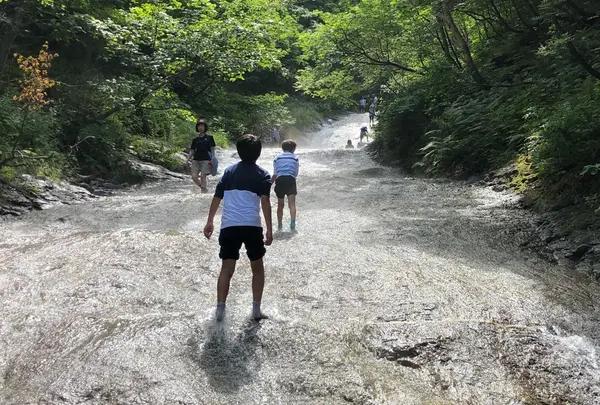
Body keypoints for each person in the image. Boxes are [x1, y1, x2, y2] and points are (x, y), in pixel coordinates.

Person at [203, 134, 273, 322]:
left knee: (226, 268)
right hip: (252, 226)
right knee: (257, 268)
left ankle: (220, 310)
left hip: (229, 226)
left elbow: (217, 197)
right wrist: (269, 229)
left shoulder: (228, 172)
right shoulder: (263, 174)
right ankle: (256, 310)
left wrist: (210, 221)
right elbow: (265, 202)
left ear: (239, 152)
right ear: (258, 153)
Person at [272, 140, 299, 232]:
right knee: (292, 204)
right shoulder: (295, 158)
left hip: (280, 180)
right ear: (294, 149)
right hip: (290, 179)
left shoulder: (277, 158)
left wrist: (269, 184)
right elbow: (296, 173)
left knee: (280, 204)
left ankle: (280, 225)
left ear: (282, 148)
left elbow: (275, 174)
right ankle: (292, 223)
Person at [187, 119, 216, 193]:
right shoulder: (195, 140)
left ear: (205, 127)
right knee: (194, 177)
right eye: (199, 126)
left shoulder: (210, 138)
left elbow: (212, 149)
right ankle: (203, 187)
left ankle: (203, 192)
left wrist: (212, 159)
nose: (200, 127)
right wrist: (188, 159)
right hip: (196, 160)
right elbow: (192, 150)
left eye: (202, 126)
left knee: (203, 176)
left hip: (206, 160)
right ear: (197, 128)